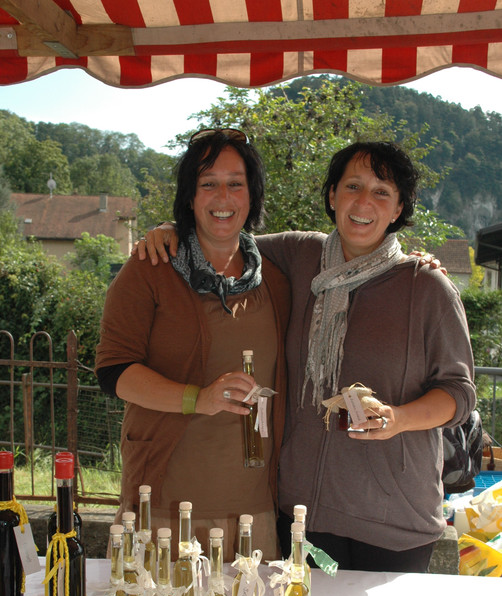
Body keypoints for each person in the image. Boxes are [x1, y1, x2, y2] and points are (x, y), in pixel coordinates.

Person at [136, 140, 475, 573]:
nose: (363, 203)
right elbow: (221, 232)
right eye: (352, 186)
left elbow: (458, 393)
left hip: (393, 521)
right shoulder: (300, 254)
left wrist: (399, 418)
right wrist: (171, 229)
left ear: (399, 209)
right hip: (303, 517)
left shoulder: (426, 287)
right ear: (332, 195)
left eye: (381, 192)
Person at [95, 129, 290, 561]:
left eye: (236, 183)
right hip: (163, 509)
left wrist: (418, 265)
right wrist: (198, 399)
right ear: (189, 196)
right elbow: (114, 371)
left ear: (252, 195)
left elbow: (348, 252)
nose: (223, 196)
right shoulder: (150, 267)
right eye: (208, 183)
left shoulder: (276, 279)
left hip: (253, 511)